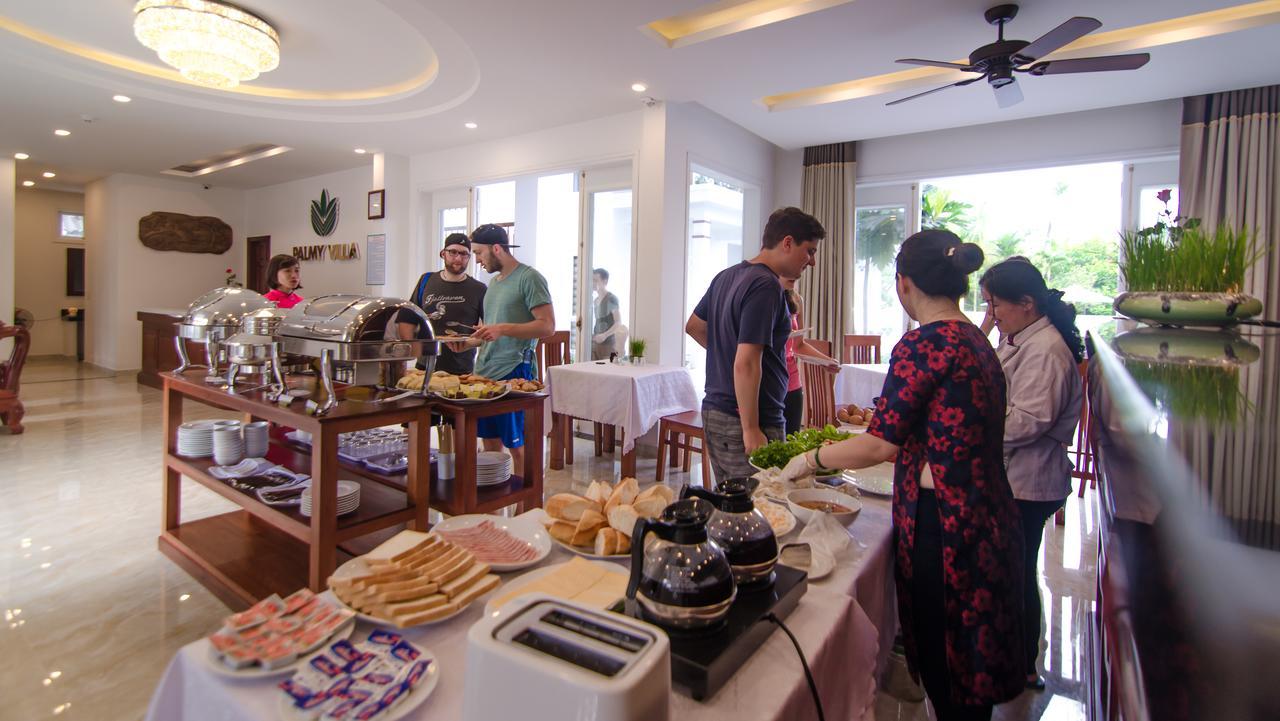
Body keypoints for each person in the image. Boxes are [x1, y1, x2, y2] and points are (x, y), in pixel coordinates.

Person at [778, 229, 1025, 721]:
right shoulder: (977, 339)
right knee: (969, 667)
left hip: (946, 527)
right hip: (990, 514)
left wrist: (812, 459)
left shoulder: (924, 344)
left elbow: (879, 442)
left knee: (946, 663)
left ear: (903, 283)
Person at [979, 257, 1084, 692]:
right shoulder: (1021, 338)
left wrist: (971, 427)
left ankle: (1022, 663)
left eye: (995, 306)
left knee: (1016, 571)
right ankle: (1012, 655)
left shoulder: (1047, 352)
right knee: (1010, 569)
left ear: (1026, 303)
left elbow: (1027, 421)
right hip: (1015, 476)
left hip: (1028, 481)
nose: (992, 315)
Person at [685, 206, 825, 481]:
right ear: (787, 243)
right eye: (809, 251)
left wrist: (729, 358)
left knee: (734, 507)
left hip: (716, 413)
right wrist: (750, 428)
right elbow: (747, 362)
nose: (811, 261)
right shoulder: (766, 285)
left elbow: (695, 327)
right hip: (749, 420)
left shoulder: (726, 276)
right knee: (761, 510)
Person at [444, 224, 554, 472]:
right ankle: (497, 503)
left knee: (518, 447)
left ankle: (524, 508)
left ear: (497, 248)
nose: (477, 260)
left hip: (515, 371)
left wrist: (502, 328)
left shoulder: (530, 278)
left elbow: (547, 326)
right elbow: (492, 333)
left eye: (480, 253)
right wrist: (469, 344)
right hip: (485, 373)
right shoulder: (493, 283)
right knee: (491, 445)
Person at [396, 233, 486, 375]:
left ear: (469, 257)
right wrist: (412, 349)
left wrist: (470, 343)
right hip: (424, 367)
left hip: (461, 370)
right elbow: (407, 318)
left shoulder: (479, 289)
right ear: (443, 254)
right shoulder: (426, 281)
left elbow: (490, 331)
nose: (458, 258)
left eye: (464, 254)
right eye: (453, 252)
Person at [781, 276, 839, 435]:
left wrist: (825, 360)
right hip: (770, 383)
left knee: (792, 442)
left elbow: (799, 345)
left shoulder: (796, 299)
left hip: (792, 382)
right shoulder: (764, 297)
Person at [590, 268, 621, 360]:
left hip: (609, 345)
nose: (593, 283)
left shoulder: (611, 298)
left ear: (605, 281)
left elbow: (618, 322)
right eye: (592, 280)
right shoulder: (595, 301)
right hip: (595, 345)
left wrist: (605, 335)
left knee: (607, 372)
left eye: (596, 280)